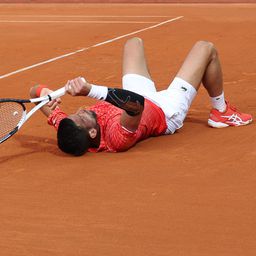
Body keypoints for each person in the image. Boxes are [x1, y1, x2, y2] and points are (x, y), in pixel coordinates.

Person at [30, 37, 253, 156]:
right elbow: (136, 105)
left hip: (131, 97)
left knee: (133, 43)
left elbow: (34, 92)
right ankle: (221, 111)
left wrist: (45, 94)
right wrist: (90, 90)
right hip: (165, 110)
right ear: (91, 131)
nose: (79, 110)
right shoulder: (117, 140)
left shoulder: (68, 127)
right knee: (206, 48)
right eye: (81, 117)